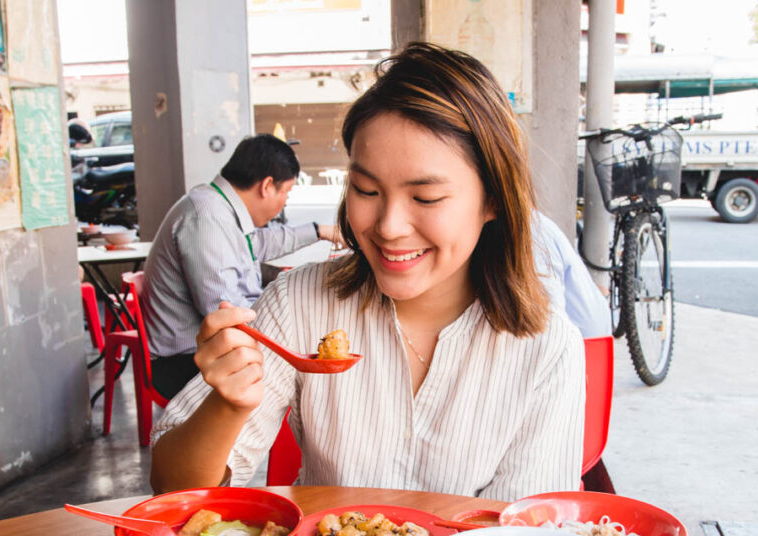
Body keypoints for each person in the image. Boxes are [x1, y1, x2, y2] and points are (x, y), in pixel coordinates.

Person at [149, 43, 585, 502]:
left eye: (426, 198)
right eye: (366, 189)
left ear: (493, 198)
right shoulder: (301, 303)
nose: (388, 227)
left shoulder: (546, 347)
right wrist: (227, 405)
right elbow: (173, 488)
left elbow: (527, 533)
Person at [141, 134, 342, 399]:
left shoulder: (220, 209)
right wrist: (297, 310)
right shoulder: (206, 218)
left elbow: (260, 243)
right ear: (267, 186)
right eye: (287, 193)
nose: (285, 202)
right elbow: (224, 309)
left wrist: (320, 231)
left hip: (211, 349)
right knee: (309, 382)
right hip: (187, 361)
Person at [533, 211, 612, 338]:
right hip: (589, 336)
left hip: (582, 343)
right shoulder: (536, 225)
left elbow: (549, 321)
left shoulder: (534, 237)